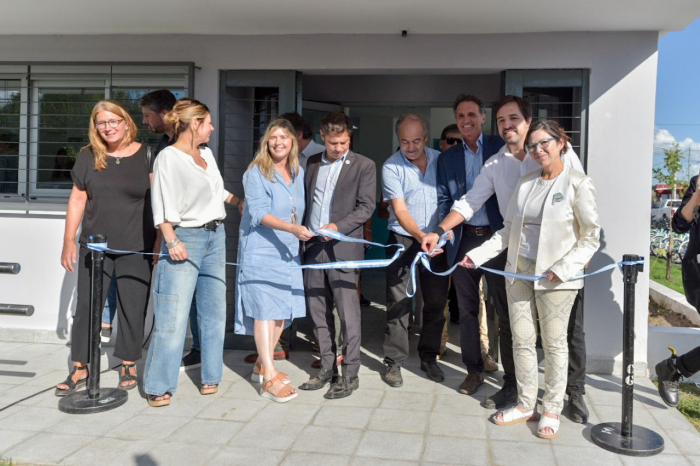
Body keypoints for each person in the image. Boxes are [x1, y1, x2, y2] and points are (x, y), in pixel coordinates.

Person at [423, 96, 591, 422]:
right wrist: (440, 230)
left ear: (527, 121)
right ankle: (518, 390)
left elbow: (584, 203)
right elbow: (470, 202)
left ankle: (574, 393)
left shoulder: (558, 153)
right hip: (518, 258)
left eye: (513, 118)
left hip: (562, 260)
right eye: (501, 120)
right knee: (518, 328)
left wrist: (581, 253)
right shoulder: (496, 164)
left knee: (568, 331)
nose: (507, 125)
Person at [454, 120, 600, 439]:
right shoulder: (526, 182)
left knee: (554, 343)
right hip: (517, 271)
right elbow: (508, 230)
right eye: (532, 145)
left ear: (561, 143)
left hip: (556, 277)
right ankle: (524, 403)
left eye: (544, 142)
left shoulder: (578, 182)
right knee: (521, 339)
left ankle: (551, 409)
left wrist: (564, 267)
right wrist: (476, 256)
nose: (538, 150)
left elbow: (591, 237)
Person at [140, 90, 246, 372]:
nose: (212, 128)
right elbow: (160, 203)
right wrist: (171, 240)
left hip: (216, 236)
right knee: (172, 316)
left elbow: (215, 190)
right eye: (208, 123)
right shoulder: (168, 157)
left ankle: (211, 375)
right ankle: (159, 383)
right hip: (184, 237)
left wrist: (236, 201)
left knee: (213, 314)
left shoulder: (206, 154)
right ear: (195, 123)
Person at [56, 100, 156, 395]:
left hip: (138, 246)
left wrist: (162, 241)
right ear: (95, 127)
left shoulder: (148, 155)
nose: (108, 127)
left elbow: (160, 202)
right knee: (87, 306)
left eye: (114, 121)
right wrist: (68, 241)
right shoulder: (88, 156)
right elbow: (77, 199)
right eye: (102, 122)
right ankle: (80, 365)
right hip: (95, 247)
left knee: (131, 307)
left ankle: (127, 361)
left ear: (127, 123)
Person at [298, 112, 376, 399]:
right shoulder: (311, 162)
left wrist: (338, 228)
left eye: (343, 142)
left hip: (344, 249)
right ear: (322, 136)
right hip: (313, 248)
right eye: (333, 143)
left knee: (348, 314)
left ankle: (351, 374)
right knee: (318, 312)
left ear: (349, 137)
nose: (338, 148)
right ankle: (326, 369)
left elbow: (366, 207)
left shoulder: (364, 165)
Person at [432, 94, 505, 396]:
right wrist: (444, 232)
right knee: (468, 309)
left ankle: (510, 375)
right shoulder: (447, 159)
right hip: (464, 239)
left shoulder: (500, 148)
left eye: (471, 115)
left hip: (499, 237)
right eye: (461, 116)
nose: (466, 121)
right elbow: (445, 201)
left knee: (504, 306)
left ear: (483, 117)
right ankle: (473, 370)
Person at [234, 118, 311, 403]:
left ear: (293, 141)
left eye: (284, 137)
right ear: (266, 143)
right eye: (272, 138)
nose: (278, 142)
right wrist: (293, 228)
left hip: (288, 250)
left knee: (282, 312)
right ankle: (268, 376)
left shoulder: (297, 171)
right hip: (261, 250)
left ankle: (261, 365)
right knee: (265, 313)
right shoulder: (257, 172)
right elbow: (258, 213)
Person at [381, 114, 449, 387]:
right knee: (399, 304)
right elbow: (399, 210)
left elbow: (451, 198)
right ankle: (394, 363)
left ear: (426, 136)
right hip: (404, 240)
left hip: (439, 241)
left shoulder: (440, 159)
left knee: (435, 304)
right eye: (404, 141)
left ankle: (429, 356)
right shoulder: (391, 166)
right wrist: (422, 236)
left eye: (416, 140)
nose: (410, 147)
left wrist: (442, 232)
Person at [656, 174, 700, 407]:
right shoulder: (698, 182)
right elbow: (680, 225)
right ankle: (674, 368)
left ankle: (673, 369)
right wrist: (697, 197)